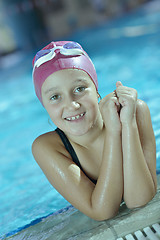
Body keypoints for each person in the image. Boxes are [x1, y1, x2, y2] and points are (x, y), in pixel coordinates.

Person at [32, 41, 157, 221]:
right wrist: (113, 132)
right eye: (55, 97)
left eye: (80, 89)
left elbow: (140, 200)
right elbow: (101, 212)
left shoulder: (133, 111)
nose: (72, 105)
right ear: (44, 106)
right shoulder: (47, 147)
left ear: (96, 90)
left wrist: (127, 124)